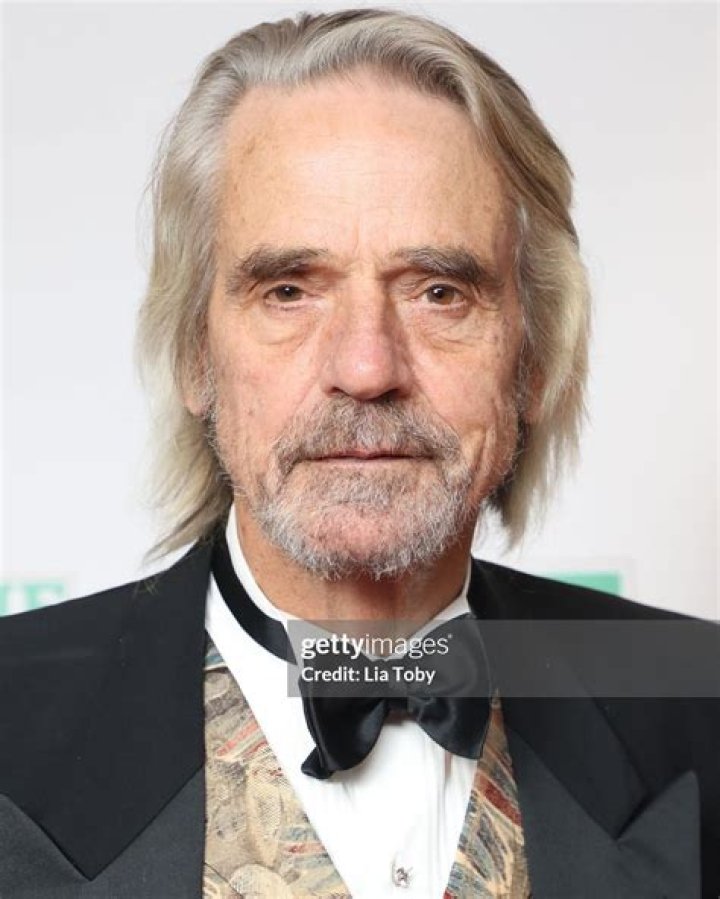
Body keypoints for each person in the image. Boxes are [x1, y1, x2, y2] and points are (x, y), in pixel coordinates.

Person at [1, 9, 717, 898]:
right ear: (194, 354)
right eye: (289, 290)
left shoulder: (702, 705)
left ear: (534, 360)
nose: (367, 368)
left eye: (439, 291)